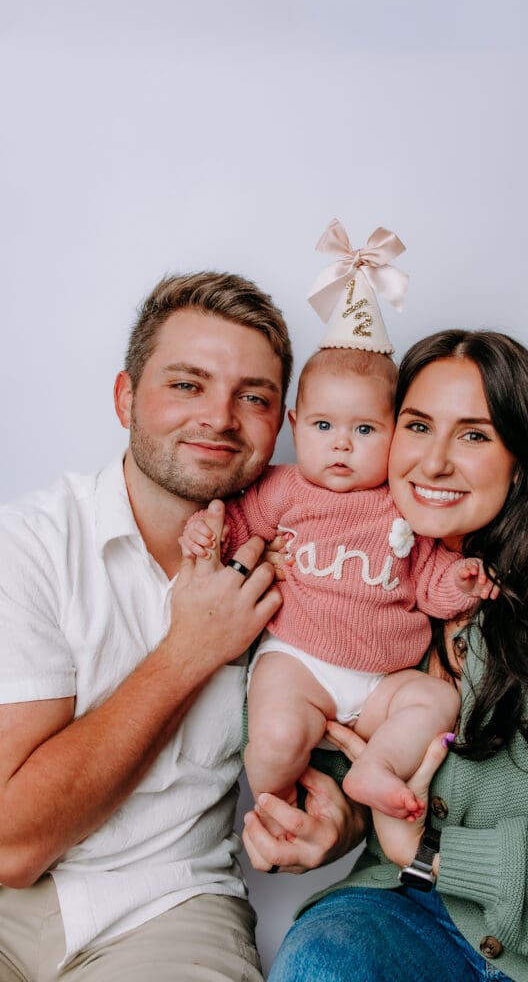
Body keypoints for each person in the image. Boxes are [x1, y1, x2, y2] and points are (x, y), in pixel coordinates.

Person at [244, 329, 528, 982]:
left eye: (473, 435)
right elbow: (359, 772)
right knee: (320, 965)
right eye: (417, 427)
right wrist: (332, 823)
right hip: (395, 914)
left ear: (520, 460)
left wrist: (431, 852)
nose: (434, 463)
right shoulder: (361, 585)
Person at [0, 272, 364, 982]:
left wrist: (340, 821)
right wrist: (188, 652)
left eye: (252, 397)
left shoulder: (311, 560)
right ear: (125, 398)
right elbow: (12, 844)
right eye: (187, 385)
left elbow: (358, 744)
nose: (220, 419)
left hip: (171, 906)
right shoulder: (30, 546)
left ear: (281, 422)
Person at [182, 344, 497, 821]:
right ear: (295, 424)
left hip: (382, 681)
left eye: (365, 429)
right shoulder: (283, 488)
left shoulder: (404, 504)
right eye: (323, 426)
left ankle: (377, 766)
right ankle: (276, 806)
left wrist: (463, 581)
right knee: (277, 737)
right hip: (298, 662)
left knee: (437, 699)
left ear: (395, 434)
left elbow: (432, 587)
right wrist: (211, 532)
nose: (341, 444)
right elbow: (239, 532)